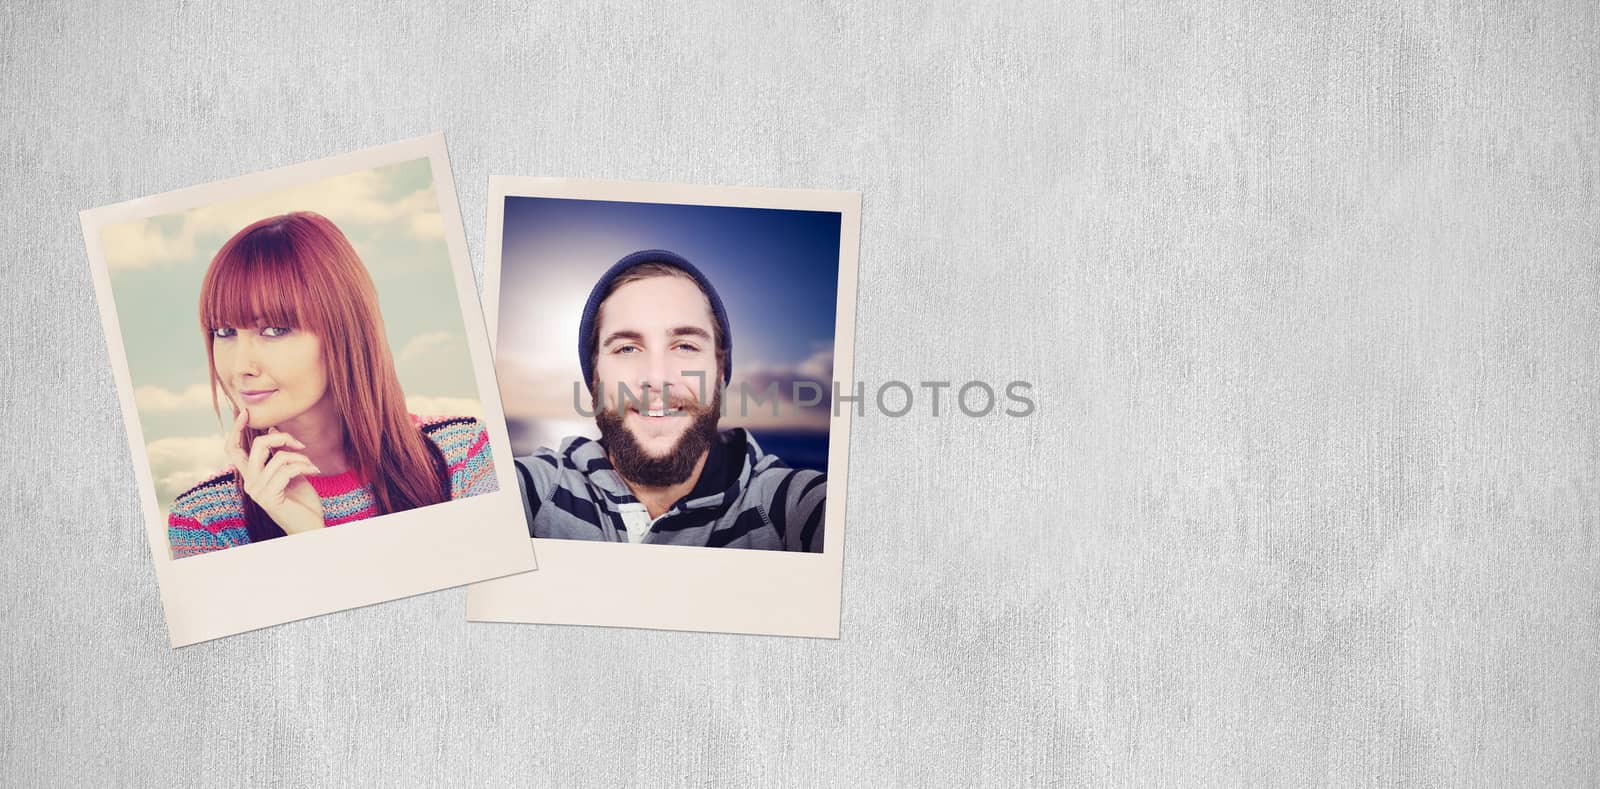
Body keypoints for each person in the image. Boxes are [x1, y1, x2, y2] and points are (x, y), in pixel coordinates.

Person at [166, 212, 496, 558]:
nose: (240, 366)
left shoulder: (463, 457)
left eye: (274, 330)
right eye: (224, 332)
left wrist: (320, 542)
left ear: (343, 330)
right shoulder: (207, 522)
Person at [513, 249, 825, 552]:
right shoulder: (537, 492)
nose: (657, 376)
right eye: (627, 349)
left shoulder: (791, 507)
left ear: (720, 373)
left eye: (685, 346)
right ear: (595, 379)